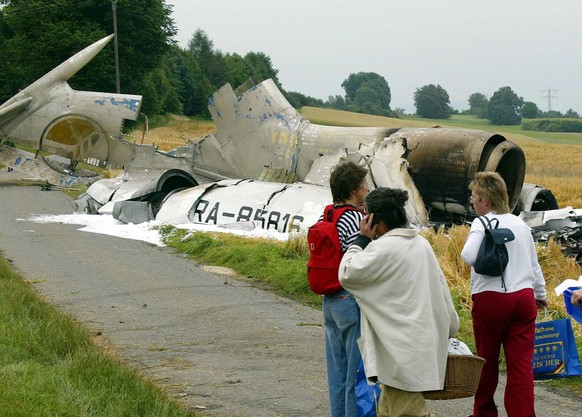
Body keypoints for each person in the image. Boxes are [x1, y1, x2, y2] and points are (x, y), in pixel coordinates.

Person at [339, 187, 459, 417]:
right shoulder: (421, 245)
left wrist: (361, 239)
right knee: (389, 411)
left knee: (409, 413)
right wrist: (451, 326)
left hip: (399, 352)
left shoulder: (381, 249)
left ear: (373, 218)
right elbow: (441, 290)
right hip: (417, 346)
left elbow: (347, 273)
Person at [460, 171, 547, 417]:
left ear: (485, 201)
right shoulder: (521, 224)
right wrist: (540, 294)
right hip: (523, 298)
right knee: (520, 367)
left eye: (474, 196)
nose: (472, 201)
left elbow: (468, 256)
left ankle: (485, 413)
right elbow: (534, 266)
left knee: (487, 362)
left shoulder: (481, 222)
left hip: (491, 299)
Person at [322, 160, 369, 417]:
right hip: (349, 298)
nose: (367, 189)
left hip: (329, 301)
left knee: (337, 374)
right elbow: (358, 260)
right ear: (353, 189)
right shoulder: (353, 218)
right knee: (355, 375)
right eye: (363, 185)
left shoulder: (328, 213)